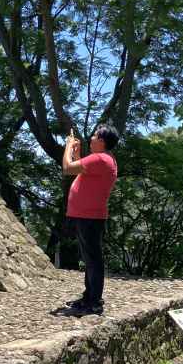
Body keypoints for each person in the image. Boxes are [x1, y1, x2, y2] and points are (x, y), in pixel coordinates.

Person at [61, 125, 119, 316]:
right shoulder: (104, 159)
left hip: (89, 216)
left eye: (94, 136)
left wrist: (68, 146)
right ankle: (89, 297)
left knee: (93, 259)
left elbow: (67, 168)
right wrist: (77, 154)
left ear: (101, 141)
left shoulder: (100, 158)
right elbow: (83, 171)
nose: (91, 138)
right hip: (88, 215)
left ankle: (94, 301)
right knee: (90, 258)